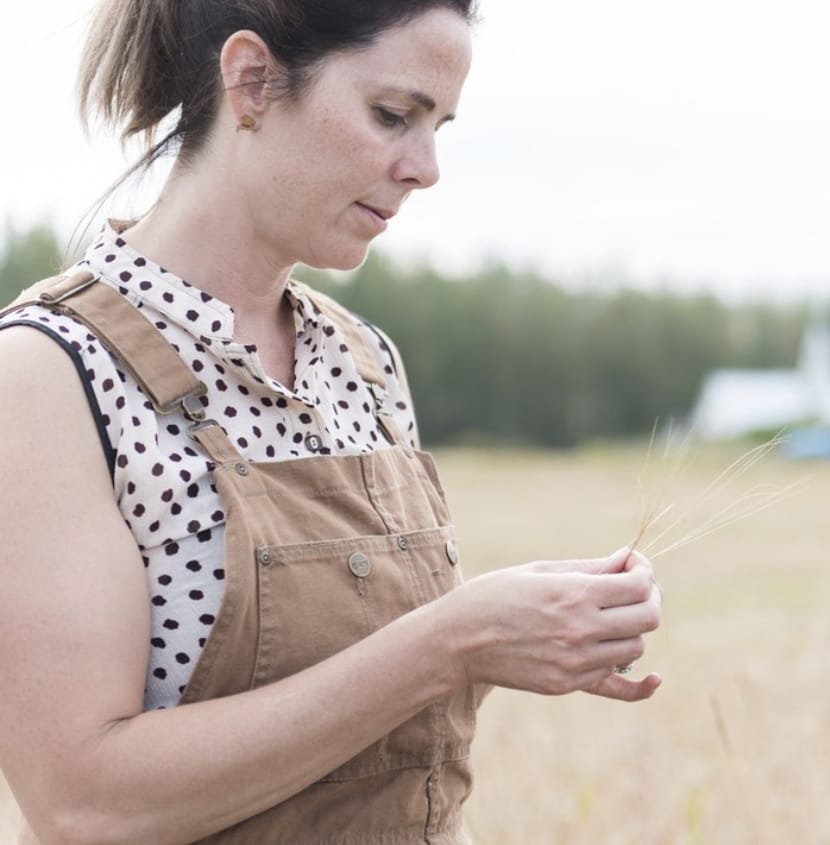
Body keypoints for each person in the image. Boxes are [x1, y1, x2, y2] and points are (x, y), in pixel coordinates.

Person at [0, 1, 663, 843]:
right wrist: (452, 642)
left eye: (440, 127)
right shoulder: (49, 373)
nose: (425, 168)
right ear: (251, 81)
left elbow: (382, 743)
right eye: (394, 115)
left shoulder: (365, 362)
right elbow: (84, 804)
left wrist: (518, 637)